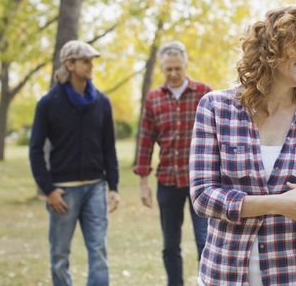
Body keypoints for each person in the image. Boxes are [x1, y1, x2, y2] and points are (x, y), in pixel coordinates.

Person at [190, 6, 296, 286]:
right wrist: (278, 204)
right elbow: (203, 197)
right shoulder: (216, 107)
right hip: (224, 274)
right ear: (275, 42)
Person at [29, 40, 120, 286]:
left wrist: (113, 187)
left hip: (95, 188)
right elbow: (35, 149)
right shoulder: (48, 103)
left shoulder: (102, 102)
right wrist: (48, 190)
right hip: (62, 191)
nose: (91, 65)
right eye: (85, 61)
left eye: (92, 60)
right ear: (69, 64)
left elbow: (108, 147)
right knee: (59, 255)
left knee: (99, 252)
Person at [134, 41, 212, 286]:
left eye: (178, 68)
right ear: (162, 69)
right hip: (167, 181)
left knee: (205, 239)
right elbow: (146, 141)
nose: (173, 74)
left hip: (201, 183)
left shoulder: (204, 93)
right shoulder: (154, 99)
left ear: (185, 65)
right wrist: (143, 182)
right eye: (168, 69)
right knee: (170, 244)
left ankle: (207, 281)